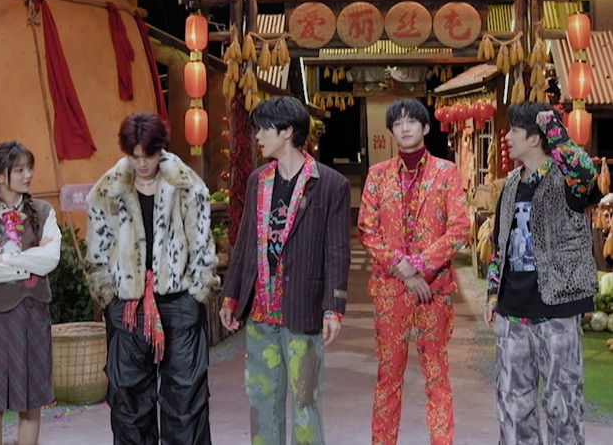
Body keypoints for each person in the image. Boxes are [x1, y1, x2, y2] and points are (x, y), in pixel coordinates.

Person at [220, 96, 350, 445]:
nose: (258, 136)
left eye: (264, 129)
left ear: (287, 131)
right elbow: (245, 241)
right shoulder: (258, 181)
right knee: (262, 400)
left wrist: (333, 307)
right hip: (261, 311)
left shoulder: (330, 184)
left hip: (303, 308)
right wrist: (231, 295)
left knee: (305, 401)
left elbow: (337, 251)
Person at [86, 112, 220, 444]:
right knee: (129, 402)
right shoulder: (108, 188)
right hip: (128, 305)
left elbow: (202, 245)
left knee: (186, 401)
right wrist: (108, 295)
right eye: (135, 156)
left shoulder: (186, 185)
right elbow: (97, 250)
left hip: (179, 301)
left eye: (149, 155)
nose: (142, 163)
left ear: (161, 148)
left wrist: (198, 290)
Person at [485, 103, 601, 445]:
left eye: (514, 131)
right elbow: (500, 243)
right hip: (512, 311)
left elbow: (585, 173)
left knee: (564, 404)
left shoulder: (567, 181)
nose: (507, 137)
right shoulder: (511, 184)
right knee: (513, 405)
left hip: (557, 309)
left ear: (535, 138)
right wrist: (492, 293)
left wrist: (554, 127)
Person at [357, 98, 470, 445]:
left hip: (434, 290)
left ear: (425, 127)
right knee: (388, 376)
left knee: (437, 375)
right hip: (391, 291)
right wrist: (403, 270)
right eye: (397, 123)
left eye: (411, 121)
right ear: (391, 131)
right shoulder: (378, 175)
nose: (404, 128)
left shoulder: (446, 172)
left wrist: (420, 264)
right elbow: (367, 229)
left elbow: (459, 228)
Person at [0, 141, 61, 445]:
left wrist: (3, 260)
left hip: (32, 314)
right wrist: (29, 261)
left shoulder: (44, 212)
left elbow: (50, 260)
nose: (28, 175)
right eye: (19, 170)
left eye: (29, 168)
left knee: (31, 401)